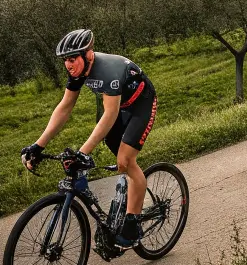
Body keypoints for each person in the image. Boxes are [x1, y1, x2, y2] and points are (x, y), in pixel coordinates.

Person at [20, 29, 156, 248]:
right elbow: (65, 107)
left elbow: (110, 114)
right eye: (65, 60)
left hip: (140, 104)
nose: (68, 65)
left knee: (125, 161)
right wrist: (38, 145)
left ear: (89, 54)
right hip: (116, 104)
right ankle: (127, 193)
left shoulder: (108, 70)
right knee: (117, 154)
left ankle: (133, 223)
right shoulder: (78, 71)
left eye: (73, 58)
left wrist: (82, 153)